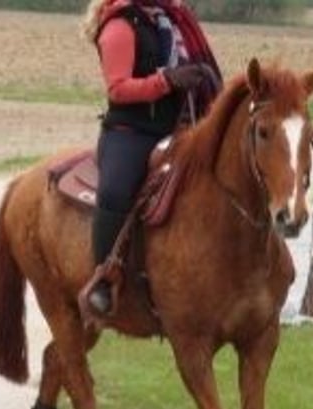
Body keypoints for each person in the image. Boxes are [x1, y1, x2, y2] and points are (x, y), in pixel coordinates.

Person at [82, 0, 221, 314]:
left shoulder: (173, 21)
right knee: (116, 191)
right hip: (131, 131)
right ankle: (104, 279)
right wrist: (167, 81)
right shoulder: (119, 26)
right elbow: (117, 89)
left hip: (177, 128)